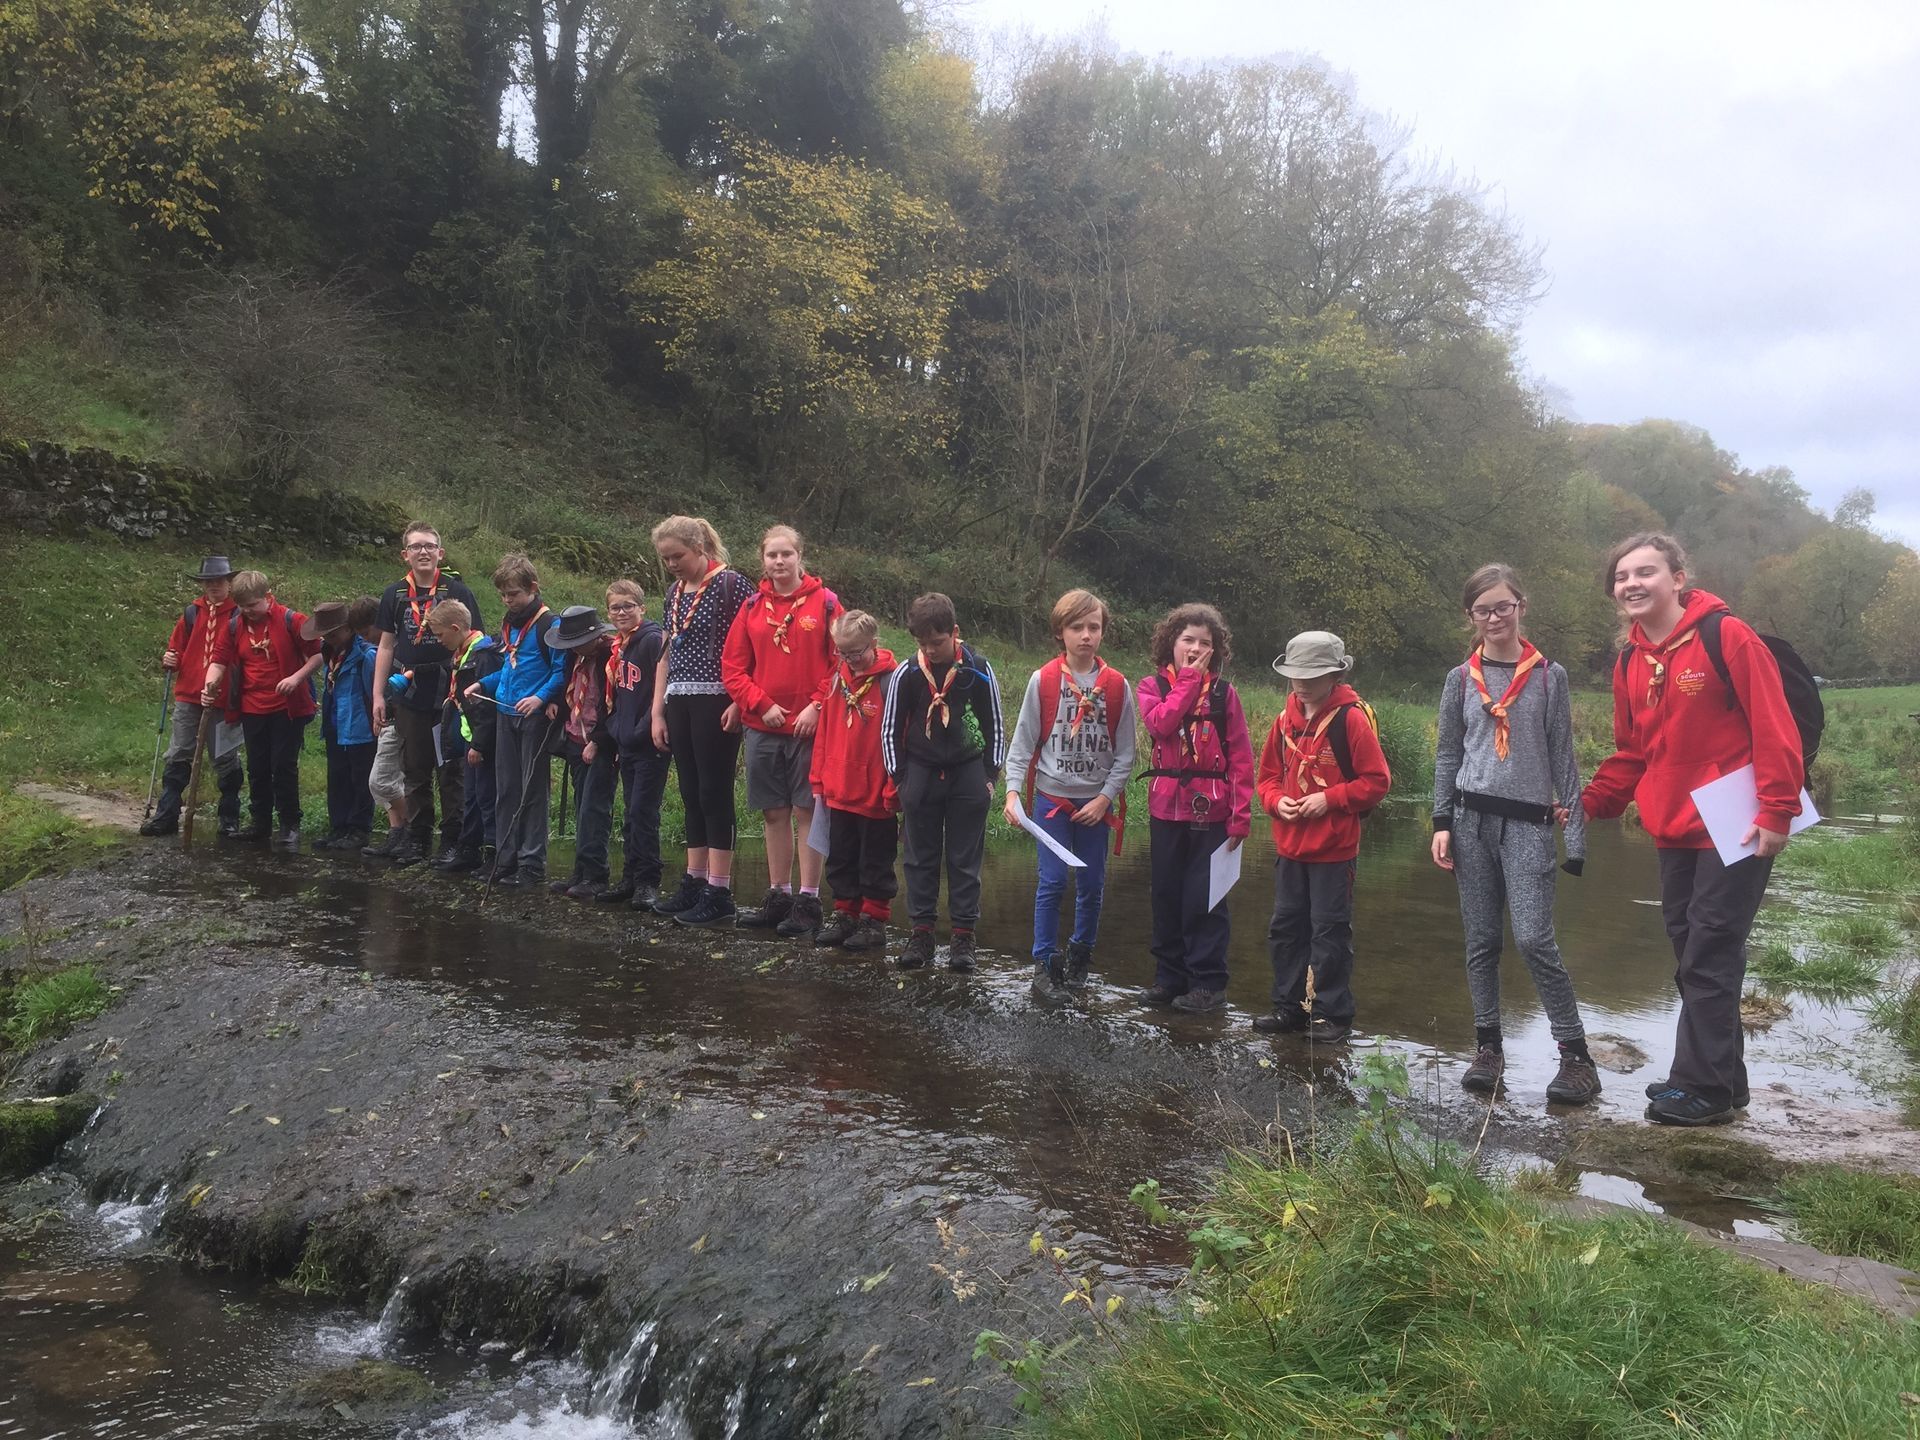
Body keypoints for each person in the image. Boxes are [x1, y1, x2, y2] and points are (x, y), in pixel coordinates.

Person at [1584, 532, 1803, 1127]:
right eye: (1622, 576)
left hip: (1736, 821)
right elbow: (1633, 751)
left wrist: (1777, 810)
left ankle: (1699, 1088)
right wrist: (1592, 801)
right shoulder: (1630, 660)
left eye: (1646, 572)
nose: (1632, 583)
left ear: (1678, 578)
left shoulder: (1725, 636)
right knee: (1692, 949)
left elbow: (1774, 724)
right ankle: (1726, 1082)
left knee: (1709, 949)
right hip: (1673, 825)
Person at [1431, 565, 1600, 1103]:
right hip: (1469, 820)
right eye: (1484, 610)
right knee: (1481, 941)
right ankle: (1488, 1049)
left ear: (1521, 606)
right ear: (1471, 618)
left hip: (1528, 824)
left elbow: (1562, 759)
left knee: (1532, 938)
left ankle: (1576, 1058)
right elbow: (1448, 754)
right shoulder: (1461, 679)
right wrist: (1440, 822)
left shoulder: (1550, 677)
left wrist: (1574, 840)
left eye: (1504, 606)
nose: (1495, 617)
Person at [1252, 631, 1391, 1043]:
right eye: (1296, 674)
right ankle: (1288, 1008)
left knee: (1329, 932)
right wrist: (1278, 803)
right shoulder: (1282, 721)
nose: (1302, 682)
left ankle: (1333, 1015)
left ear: (1335, 674)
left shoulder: (1351, 719)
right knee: (1285, 929)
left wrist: (1328, 800)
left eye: (1312, 674)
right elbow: (1266, 781)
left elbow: (1377, 782)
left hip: (1334, 849)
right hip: (1290, 847)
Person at [1002, 589, 1136, 1003]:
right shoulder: (1043, 681)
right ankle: (1044, 962)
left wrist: (1105, 798)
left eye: (1094, 627)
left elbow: (1127, 752)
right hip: (1051, 800)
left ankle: (1080, 954)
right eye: (1076, 627)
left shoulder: (1116, 686)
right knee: (1053, 881)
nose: (1086, 635)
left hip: (1095, 804)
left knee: (1092, 883)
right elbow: (1023, 743)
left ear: (1103, 632)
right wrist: (1011, 793)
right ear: (1060, 632)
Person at [1135, 603, 1253, 1013]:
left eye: (1205, 643)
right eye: (1188, 640)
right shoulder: (1151, 686)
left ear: (1216, 650)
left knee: (1206, 897)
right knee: (1165, 894)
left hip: (1214, 809)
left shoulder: (1224, 693)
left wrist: (1242, 815)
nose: (1196, 649)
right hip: (1166, 806)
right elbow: (1160, 724)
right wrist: (1188, 681)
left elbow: (1240, 755)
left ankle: (1208, 983)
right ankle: (1169, 977)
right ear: (1171, 643)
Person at [722, 525, 839, 937]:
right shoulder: (752, 607)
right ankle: (779, 895)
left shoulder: (825, 604)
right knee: (774, 812)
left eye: (786, 554)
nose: (779, 561)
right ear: (762, 560)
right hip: (763, 726)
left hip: (810, 727)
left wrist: (816, 705)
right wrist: (760, 704)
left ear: (800, 555)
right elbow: (733, 667)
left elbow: (840, 663)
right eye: (772, 555)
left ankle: (809, 900)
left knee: (807, 810)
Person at [881, 593, 1005, 972]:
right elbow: (889, 730)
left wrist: (990, 775)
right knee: (919, 857)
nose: (930, 651)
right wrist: (900, 779)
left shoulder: (978, 669)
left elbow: (995, 724)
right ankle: (921, 934)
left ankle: (963, 939)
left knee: (964, 859)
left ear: (954, 633)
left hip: (968, 771)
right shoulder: (909, 673)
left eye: (937, 643)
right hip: (920, 771)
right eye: (922, 644)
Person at [648, 516, 756, 926]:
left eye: (678, 556)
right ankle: (694, 880)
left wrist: (740, 702)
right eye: (665, 558)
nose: (672, 563)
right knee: (691, 792)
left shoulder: (732, 585)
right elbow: (666, 652)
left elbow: (752, 647)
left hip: (718, 698)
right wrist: (657, 710)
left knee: (714, 790)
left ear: (700, 549)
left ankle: (720, 889)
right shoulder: (674, 591)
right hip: (680, 697)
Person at [369, 522, 486, 866]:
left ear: (440, 553)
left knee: (451, 768)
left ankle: (453, 841)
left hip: (449, 692)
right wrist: (378, 695)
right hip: (410, 694)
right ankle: (417, 840)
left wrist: (468, 690)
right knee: (414, 768)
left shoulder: (457, 590)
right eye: (416, 546)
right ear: (405, 554)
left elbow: (475, 639)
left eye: (429, 546)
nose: (423, 551)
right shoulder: (394, 594)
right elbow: (386, 646)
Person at [201, 570, 322, 849]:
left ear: (268, 598)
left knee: (283, 766)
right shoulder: (234, 626)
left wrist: (295, 678)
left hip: (286, 708)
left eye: (253, 605)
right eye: (242, 606)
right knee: (257, 767)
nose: (248, 611)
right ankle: (260, 823)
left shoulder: (293, 621)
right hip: (251, 707)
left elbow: (316, 656)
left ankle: (289, 825)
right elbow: (218, 661)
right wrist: (210, 685)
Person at [468, 552, 563, 888]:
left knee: (532, 792)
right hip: (505, 713)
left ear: (533, 588)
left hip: (534, 717)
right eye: (504, 595)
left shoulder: (550, 625)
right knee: (506, 790)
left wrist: (541, 697)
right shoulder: (509, 623)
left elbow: (560, 671)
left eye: (514, 594)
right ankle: (505, 859)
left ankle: (531, 863)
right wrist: (483, 683)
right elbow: (510, 669)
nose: (508, 600)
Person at [809, 610, 900, 952]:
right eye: (842, 653)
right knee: (841, 856)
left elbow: (898, 738)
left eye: (856, 653)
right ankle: (845, 913)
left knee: (875, 858)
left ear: (874, 644)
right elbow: (825, 732)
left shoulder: (892, 681)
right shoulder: (837, 679)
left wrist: (894, 785)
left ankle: (874, 920)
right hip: (838, 788)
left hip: (876, 792)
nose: (849, 660)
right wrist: (818, 778)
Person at [141, 554, 244, 838]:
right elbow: (176, 650)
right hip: (188, 695)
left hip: (224, 700)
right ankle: (167, 815)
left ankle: (229, 819)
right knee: (178, 754)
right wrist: (170, 659)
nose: (213, 586)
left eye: (218, 580)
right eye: (207, 581)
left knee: (225, 758)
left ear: (229, 582)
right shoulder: (191, 614)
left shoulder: (240, 614)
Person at [597, 580, 670, 909]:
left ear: (643, 608)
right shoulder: (619, 645)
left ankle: (648, 881)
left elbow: (662, 689)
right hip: (624, 742)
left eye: (628, 605)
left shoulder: (652, 640)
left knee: (643, 811)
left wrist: (640, 729)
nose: (622, 612)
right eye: (615, 607)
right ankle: (630, 876)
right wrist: (615, 728)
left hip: (649, 743)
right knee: (629, 812)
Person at [547, 606, 620, 901]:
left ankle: (596, 874)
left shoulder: (609, 657)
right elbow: (569, 688)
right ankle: (580, 871)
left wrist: (599, 740)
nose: (572, 647)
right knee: (581, 806)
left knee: (595, 808)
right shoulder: (573, 656)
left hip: (601, 742)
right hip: (576, 738)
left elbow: (613, 704)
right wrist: (555, 703)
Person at [426, 600, 500, 875]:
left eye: (440, 634)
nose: (438, 640)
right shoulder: (461, 653)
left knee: (486, 796)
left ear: (456, 628)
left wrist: (480, 743)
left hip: (482, 741)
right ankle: (469, 850)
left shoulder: (483, 655)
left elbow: (486, 704)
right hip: (469, 736)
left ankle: (493, 854)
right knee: (471, 796)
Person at [308, 601, 379, 852]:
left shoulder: (366, 656)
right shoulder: (330, 652)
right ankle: (338, 827)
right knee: (337, 779)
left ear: (350, 630)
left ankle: (359, 829)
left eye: (334, 633)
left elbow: (375, 691)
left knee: (361, 780)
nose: (329, 638)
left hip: (361, 728)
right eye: (325, 634)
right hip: (336, 725)